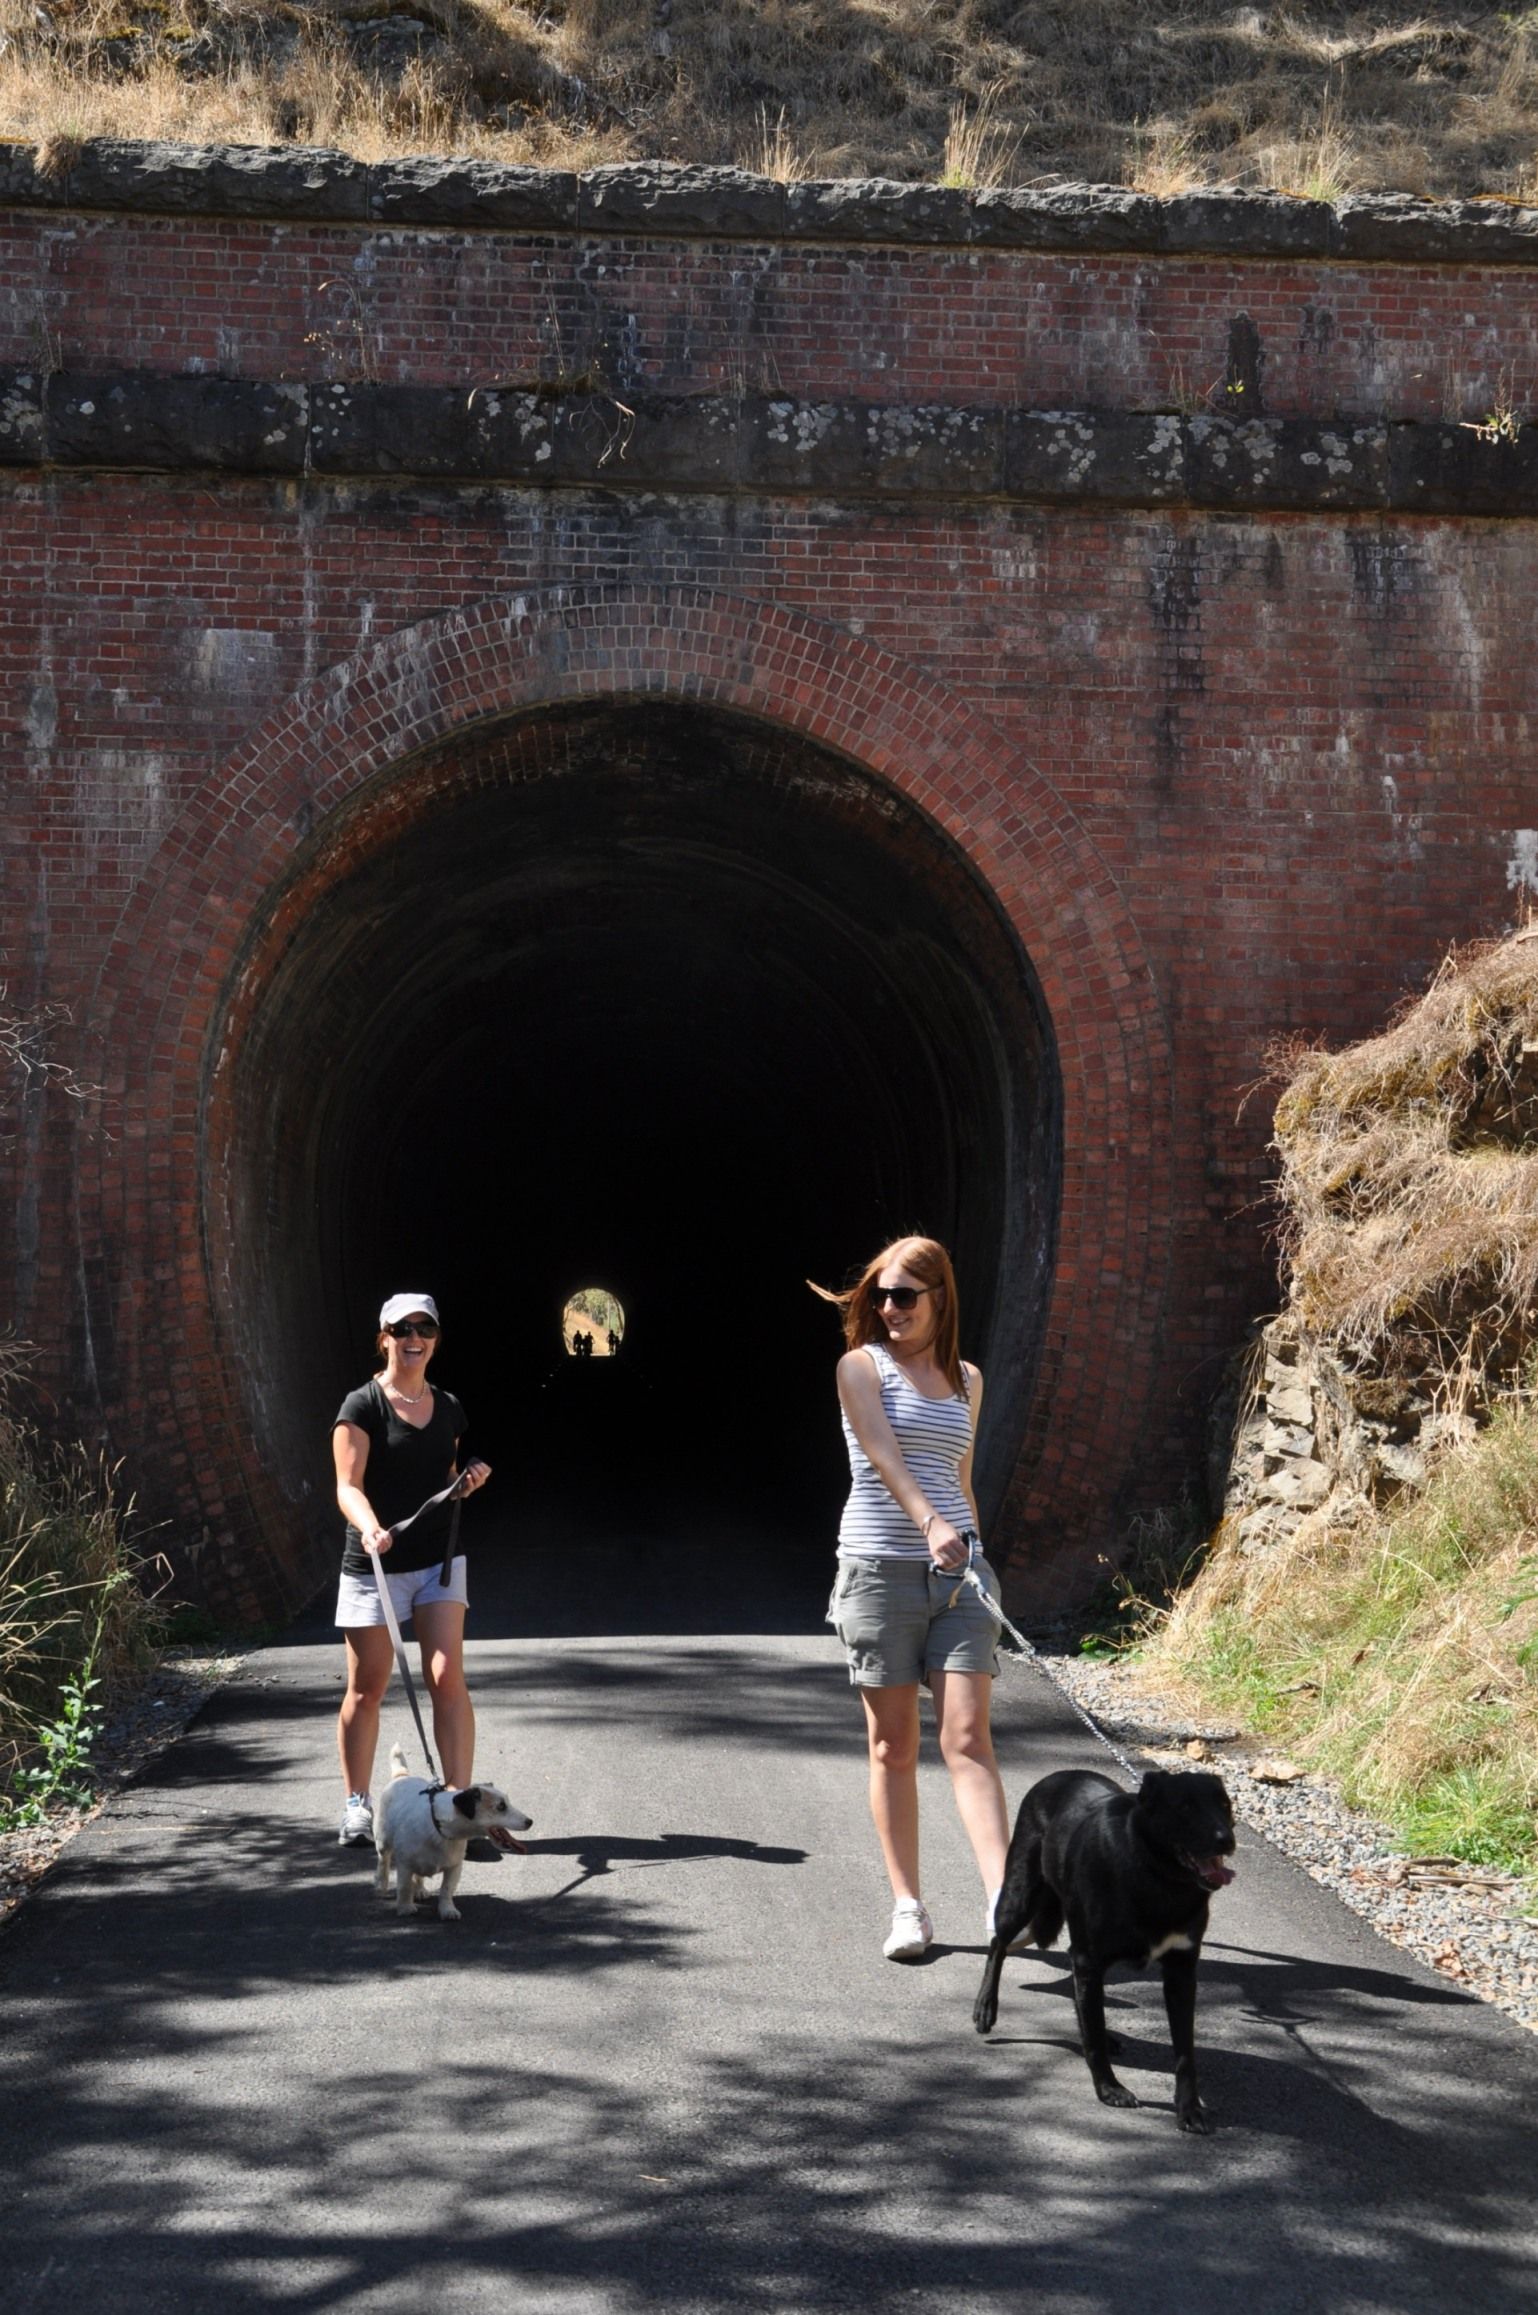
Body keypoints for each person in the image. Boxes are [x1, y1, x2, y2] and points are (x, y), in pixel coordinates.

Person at [814, 1236, 1012, 1960]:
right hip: (877, 1569)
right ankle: (909, 1907)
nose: (889, 1308)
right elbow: (881, 1452)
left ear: (939, 1300)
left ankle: (1004, 1898)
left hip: (958, 1575)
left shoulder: (967, 1379)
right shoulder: (861, 1368)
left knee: (967, 1738)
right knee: (894, 1746)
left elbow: (961, 1478)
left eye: (905, 1295)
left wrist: (976, 1553)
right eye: (880, 1295)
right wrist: (929, 1523)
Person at [330, 1293, 492, 1850]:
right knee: (368, 1686)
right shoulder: (362, 1406)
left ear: (436, 1339)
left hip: (438, 1561)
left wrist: (465, 1478)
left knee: (447, 1676)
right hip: (374, 1563)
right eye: (402, 1329)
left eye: (424, 1328)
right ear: (384, 1337)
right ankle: (357, 1803)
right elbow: (347, 1486)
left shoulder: (447, 1406)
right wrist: (370, 1526)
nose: (413, 1337)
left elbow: (443, 1472)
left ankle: (459, 1803)